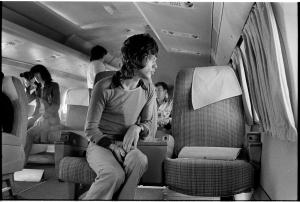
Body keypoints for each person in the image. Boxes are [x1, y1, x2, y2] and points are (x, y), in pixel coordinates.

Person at [83, 33, 158, 200]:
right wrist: (112, 147)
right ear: (139, 58)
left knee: (140, 160)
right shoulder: (104, 87)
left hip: (127, 146)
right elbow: (90, 130)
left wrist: (137, 127)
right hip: (101, 145)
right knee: (113, 174)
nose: (156, 65)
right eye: (153, 59)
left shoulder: (149, 89)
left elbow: (147, 124)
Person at [23, 65, 61, 165]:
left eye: (37, 74)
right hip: (37, 116)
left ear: (43, 73)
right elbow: (27, 99)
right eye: (34, 76)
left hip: (50, 118)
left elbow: (56, 105)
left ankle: (22, 163)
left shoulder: (54, 86)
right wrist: (27, 87)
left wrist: (44, 116)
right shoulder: (38, 88)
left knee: (28, 134)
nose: (36, 77)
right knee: (22, 126)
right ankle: (17, 157)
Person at [155, 82, 174, 158]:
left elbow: (175, 119)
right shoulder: (151, 102)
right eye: (155, 90)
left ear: (165, 92)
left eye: (159, 90)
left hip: (165, 131)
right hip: (153, 131)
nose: (156, 92)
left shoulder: (171, 103)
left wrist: (168, 120)